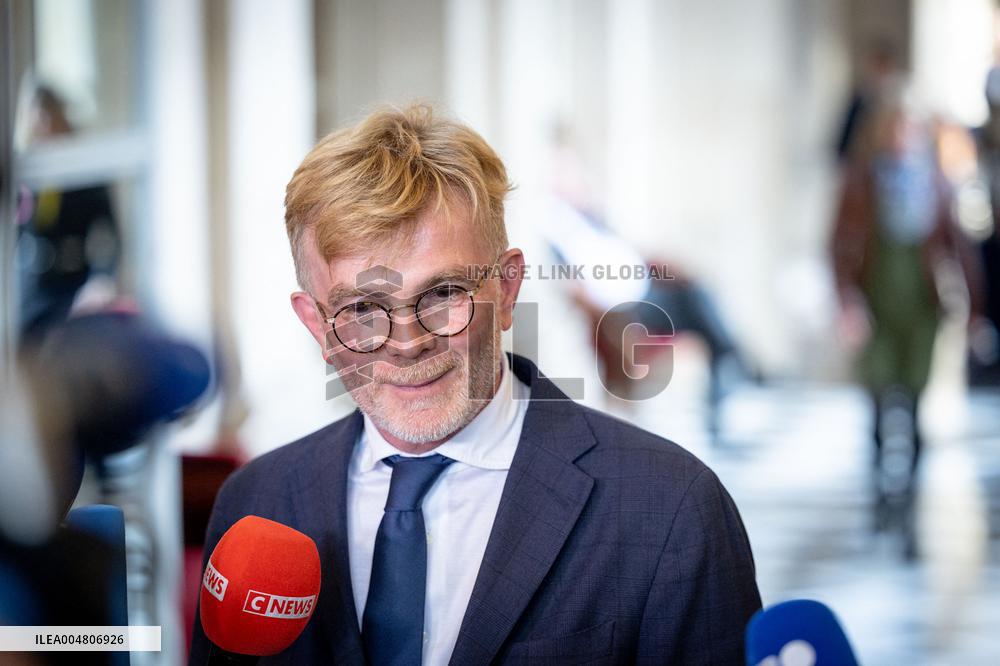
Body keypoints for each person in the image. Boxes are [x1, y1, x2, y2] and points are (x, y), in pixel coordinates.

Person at [189, 104, 761, 664]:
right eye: (363, 308)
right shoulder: (253, 504)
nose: (407, 342)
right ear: (316, 324)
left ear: (508, 289)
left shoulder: (671, 509)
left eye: (443, 295)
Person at [831, 83, 983, 558]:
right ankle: (880, 490)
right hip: (876, 297)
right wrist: (846, 301)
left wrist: (976, 311)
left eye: (913, 127)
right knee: (878, 396)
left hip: (921, 304)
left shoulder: (935, 180)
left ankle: (911, 497)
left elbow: (958, 247)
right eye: (898, 126)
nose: (905, 135)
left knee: (915, 400)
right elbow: (838, 243)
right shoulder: (862, 181)